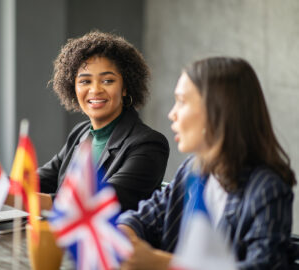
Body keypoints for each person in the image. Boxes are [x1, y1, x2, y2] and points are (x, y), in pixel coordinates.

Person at [117, 56, 298, 269]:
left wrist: (164, 264)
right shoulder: (193, 170)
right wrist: (124, 234)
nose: (172, 114)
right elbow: (144, 217)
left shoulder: (267, 188)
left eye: (182, 102)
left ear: (216, 111)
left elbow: (263, 266)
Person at [37, 31, 170, 212]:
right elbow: (38, 181)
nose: (95, 90)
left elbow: (98, 204)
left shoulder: (149, 144)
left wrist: (9, 196)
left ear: (125, 88)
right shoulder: (81, 133)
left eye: (107, 80)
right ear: (72, 87)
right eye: (85, 81)